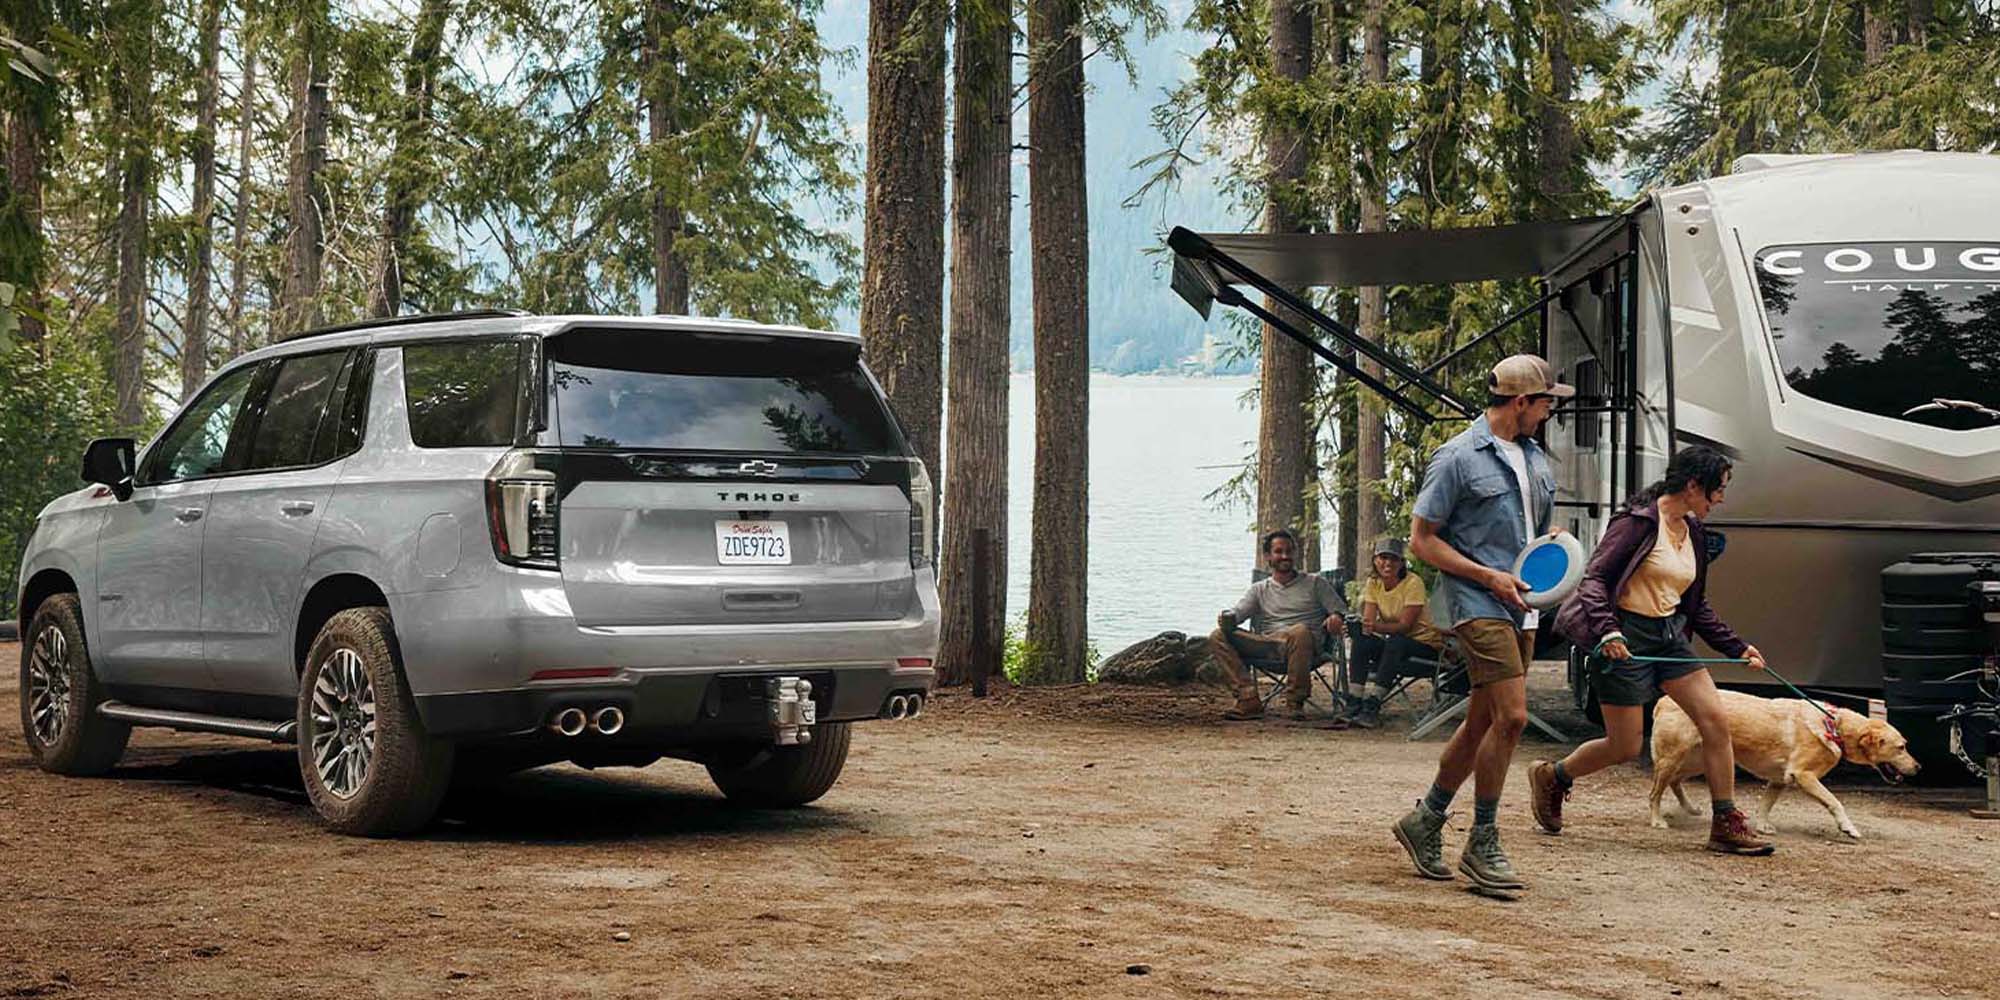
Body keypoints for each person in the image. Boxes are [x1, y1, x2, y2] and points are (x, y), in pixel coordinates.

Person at [1533, 446, 1775, 855]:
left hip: (1669, 637)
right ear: (1694, 485)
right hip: (1624, 639)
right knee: (1624, 747)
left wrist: (1737, 647)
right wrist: (1609, 634)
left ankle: (1726, 822)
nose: (1721, 499)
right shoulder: (1637, 524)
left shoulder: (1693, 530)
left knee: (1715, 721)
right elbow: (1594, 582)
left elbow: (1695, 606)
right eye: (1718, 490)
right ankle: (1554, 776)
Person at [1390, 354, 1570, 894]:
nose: (1548, 412)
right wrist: (1487, 576)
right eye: (1545, 403)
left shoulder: (1535, 458)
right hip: (1477, 602)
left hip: (1524, 604)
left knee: (1481, 723)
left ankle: (1425, 820)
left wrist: (1551, 543)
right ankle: (1483, 839)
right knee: (1512, 718)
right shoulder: (1458, 458)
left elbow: (1528, 530)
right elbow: (1423, 540)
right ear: (1520, 402)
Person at [1210, 528, 1347, 721]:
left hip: (1304, 646)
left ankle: (1294, 701)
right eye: (1279, 551)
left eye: (1289, 551)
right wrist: (1228, 617)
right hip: (1269, 645)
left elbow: (1341, 611)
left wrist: (1336, 618)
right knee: (1218, 635)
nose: (1285, 556)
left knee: (1299, 631)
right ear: (1268, 556)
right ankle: (1247, 698)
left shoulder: (1316, 583)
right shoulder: (1259, 589)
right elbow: (1238, 613)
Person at [1345, 537, 1446, 728]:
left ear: (1401, 562)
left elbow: (1405, 626)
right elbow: (1369, 623)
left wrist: (1372, 627)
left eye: (1394, 559)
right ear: (1375, 560)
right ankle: (1354, 700)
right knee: (1362, 641)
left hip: (1425, 647)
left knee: (1397, 641)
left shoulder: (1413, 583)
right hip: (1395, 649)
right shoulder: (1373, 583)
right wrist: (1358, 628)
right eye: (1383, 558)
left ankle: (1373, 704)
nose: (1388, 563)